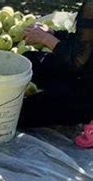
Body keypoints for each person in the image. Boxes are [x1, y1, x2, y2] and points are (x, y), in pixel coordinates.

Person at [17, 0, 93, 148]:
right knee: (30, 62)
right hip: (84, 74)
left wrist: (46, 38)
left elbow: (77, 60)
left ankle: (87, 117)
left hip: (87, 94)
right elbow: (83, 43)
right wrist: (53, 33)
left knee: (16, 115)